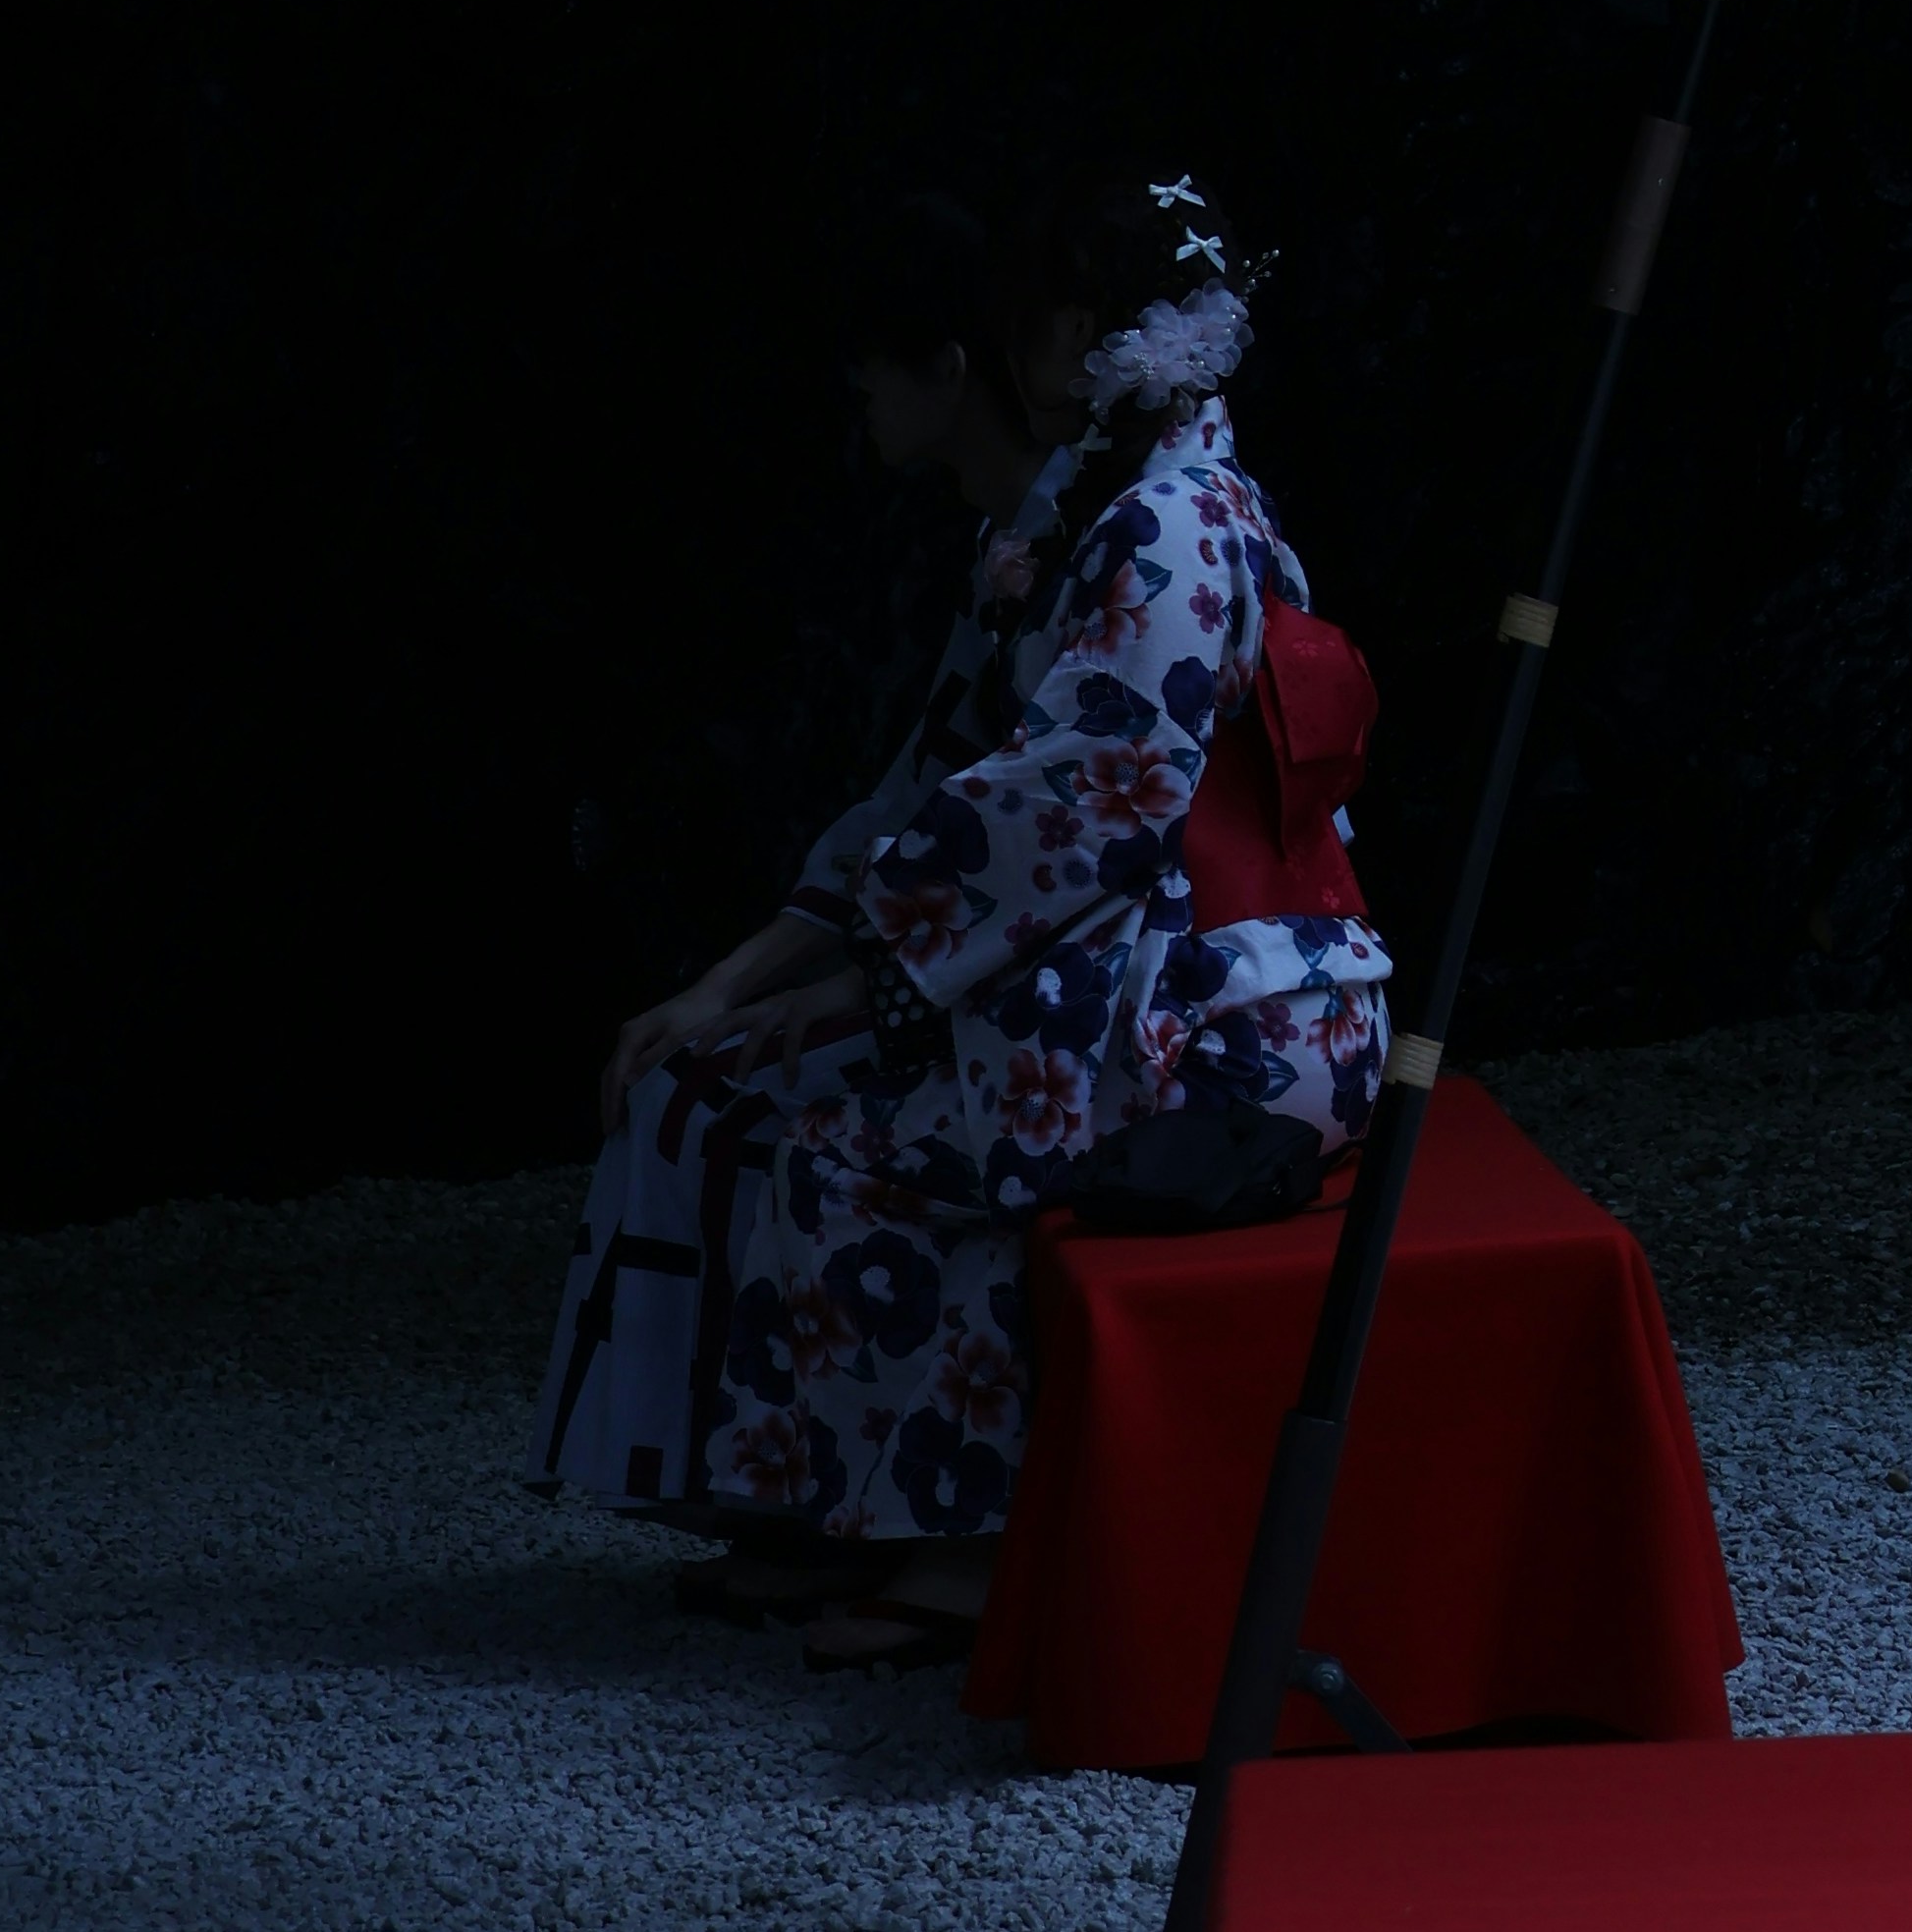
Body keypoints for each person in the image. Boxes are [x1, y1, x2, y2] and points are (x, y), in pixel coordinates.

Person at [534, 168, 1392, 1668]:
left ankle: (957, 1537)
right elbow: (946, 784)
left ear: (1086, 329)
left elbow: (1091, 797)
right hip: (1159, 956)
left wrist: (877, 984)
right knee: (739, 1082)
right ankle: (807, 1506)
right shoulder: (1105, 517)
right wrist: (753, 981)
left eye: (1040, 321)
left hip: (1233, 1003)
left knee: (878, 1131)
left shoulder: (1170, 525)